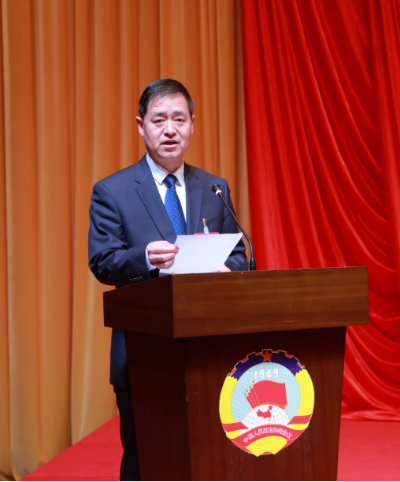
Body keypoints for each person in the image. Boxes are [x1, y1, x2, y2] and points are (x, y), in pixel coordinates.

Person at [88, 79, 248, 480]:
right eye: (159, 120)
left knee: (209, 459)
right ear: (141, 126)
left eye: (179, 119)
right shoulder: (113, 191)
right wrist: (144, 257)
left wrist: (231, 269)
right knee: (147, 461)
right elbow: (102, 261)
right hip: (144, 354)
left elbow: (240, 254)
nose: (170, 130)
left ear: (192, 124)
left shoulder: (214, 188)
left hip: (209, 351)